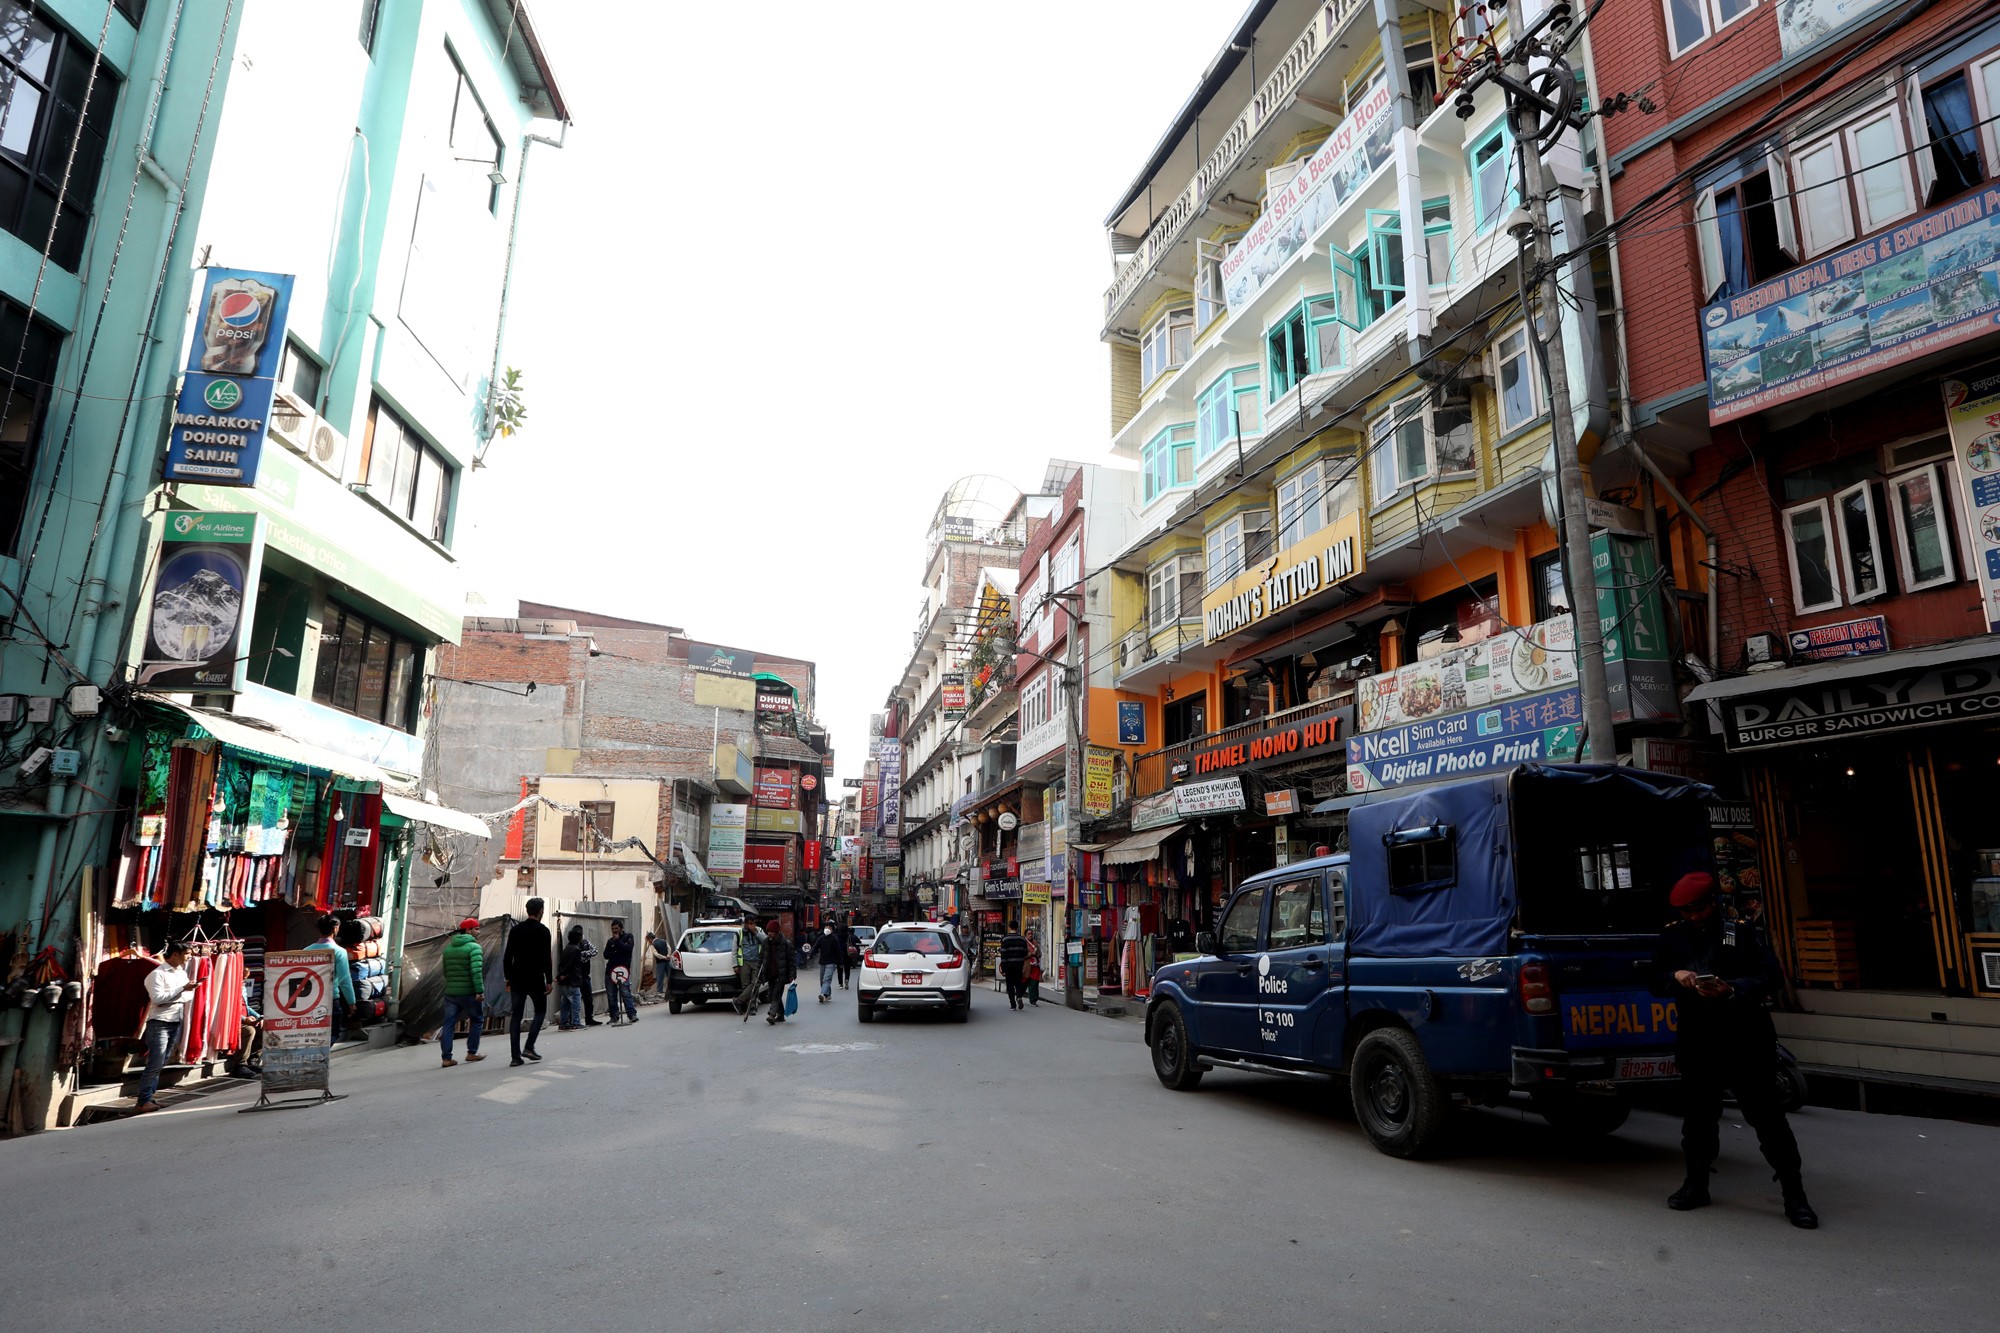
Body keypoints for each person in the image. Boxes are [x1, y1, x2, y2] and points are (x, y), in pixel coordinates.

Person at [1650, 871, 1817, 1229]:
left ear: (1713, 902)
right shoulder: (1672, 935)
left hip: (1745, 1038)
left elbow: (1771, 976)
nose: (1693, 916)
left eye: (1698, 908)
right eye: (1686, 911)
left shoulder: (1741, 932)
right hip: (1699, 1040)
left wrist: (1732, 989)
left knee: (1768, 1119)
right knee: (1698, 1120)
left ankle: (1795, 1194)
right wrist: (1676, 976)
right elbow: (1653, 979)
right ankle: (1696, 1185)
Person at [133, 942, 195, 1112]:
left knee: (162, 1061)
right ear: (175, 954)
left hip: (175, 1019)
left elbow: (188, 996)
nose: (189, 957)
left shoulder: (180, 972)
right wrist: (182, 990)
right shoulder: (157, 974)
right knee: (155, 1062)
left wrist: (184, 991)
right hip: (159, 1022)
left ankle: (149, 1098)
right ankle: (143, 1101)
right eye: (187, 954)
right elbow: (158, 999)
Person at [503, 898, 554, 1066]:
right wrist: (549, 979)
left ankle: (515, 1057)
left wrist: (508, 977)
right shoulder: (543, 931)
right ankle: (529, 1046)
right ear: (540, 911)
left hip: (517, 978)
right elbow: (547, 957)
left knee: (516, 1017)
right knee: (540, 1011)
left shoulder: (516, 930)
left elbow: (507, 956)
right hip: (536, 978)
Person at [438, 918, 487, 1068]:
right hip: (469, 993)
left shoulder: (448, 949)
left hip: (451, 993)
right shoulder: (474, 948)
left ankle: (446, 1058)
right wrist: (479, 991)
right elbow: (476, 971)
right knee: (477, 1019)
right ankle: (471, 1052)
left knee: (448, 1024)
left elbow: (445, 972)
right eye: (476, 929)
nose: (478, 931)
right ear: (468, 930)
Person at [305, 913, 354, 1043]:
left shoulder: (305, 951)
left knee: (311, 1032)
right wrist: (352, 1003)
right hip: (330, 1000)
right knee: (332, 1033)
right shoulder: (339, 952)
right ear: (335, 928)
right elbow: (345, 980)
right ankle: (319, 1058)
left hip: (308, 1000)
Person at [603, 919, 639, 1025]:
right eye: (613, 929)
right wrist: (617, 950)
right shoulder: (610, 941)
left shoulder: (628, 937)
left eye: (616, 928)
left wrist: (618, 942)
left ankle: (631, 1014)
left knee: (625, 992)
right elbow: (606, 955)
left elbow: (628, 949)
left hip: (623, 970)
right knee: (611, 995)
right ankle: (614, 1016)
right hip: (610, 971)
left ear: (621, 928)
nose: (614, 931)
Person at [762, 920, 797, 1024]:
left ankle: (772, 1014)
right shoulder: (766, 943)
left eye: (772, 932)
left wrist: (792, 975)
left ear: (777, 932)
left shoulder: (786, 944)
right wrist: (761, 974)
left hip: (782, 974)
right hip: (770, 973)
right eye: (768, 931)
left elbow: (792, 961)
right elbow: (762, 959)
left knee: (776, 994)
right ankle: (781, 1015)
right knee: (773, 993)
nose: (769, 934)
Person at [558, 924, 589, 1030]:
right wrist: (563, 974)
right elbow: (571, 965)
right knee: (576, 1002)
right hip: (573, 980)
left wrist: (560, 976)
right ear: (579, 938)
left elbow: (561, 964)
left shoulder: (566, 948)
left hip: (565, 981)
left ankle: (563, 1023)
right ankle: (575, 1022)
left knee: (565, 1003)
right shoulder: (576, 949)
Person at [734, 919, 765, 1017]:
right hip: (744, 962)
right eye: (750, 923)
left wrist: (755, 932)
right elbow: (734, 950)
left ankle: (739, 1001)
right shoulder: (739, 933)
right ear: (746, 924)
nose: (753, 925)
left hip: (757, 961)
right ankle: (749, 1007)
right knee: (745, 985)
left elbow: (766, 941)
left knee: (756, 983)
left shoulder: (759, 930)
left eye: (754, 923)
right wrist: (735, 965)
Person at [999, 923, 1030, 1010]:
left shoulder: (1005, 939)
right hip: (1019, 965)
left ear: (1009, 928)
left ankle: (1013, 1005)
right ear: (1017, 927)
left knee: (1010, 985)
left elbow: (1003, 954)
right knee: (1018, 983)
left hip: (1009, 966)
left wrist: (1003, 968)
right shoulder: (1022, 939)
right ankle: (1019, 996)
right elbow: (1025, 952)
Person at [576, 928, 601, 1026]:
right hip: (577, 976)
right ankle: (574, 1020)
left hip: (585, 975)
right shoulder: (573, 945)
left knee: (588, 999)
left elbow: (595, 951)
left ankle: (589, 1018)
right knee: (576, 999)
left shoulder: (586, 943)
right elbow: (576, 956)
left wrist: (584, 954)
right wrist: (585, 955)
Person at [813, 925, 841, 1003]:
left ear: (832, 930)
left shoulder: (834, 939)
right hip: (822, 962)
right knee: (822, 980)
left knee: (826, 979)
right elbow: (815, 947)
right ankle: (827, 994)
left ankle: (822, 994)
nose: (827, 929)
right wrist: (810, 955)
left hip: (831, 963)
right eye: (826, 927)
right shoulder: (820, 939)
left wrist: (840, 962)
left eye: (829, 928)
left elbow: (838, 951)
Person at [647, 930, 673, 1003]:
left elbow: (656, 954)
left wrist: (663, 957)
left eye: (648, 940)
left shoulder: (652, 945)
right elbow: (669, 948)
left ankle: (659, 991)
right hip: (668, 961)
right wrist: (668, 955)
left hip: (660, 962)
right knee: (669, 975)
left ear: (650, 939)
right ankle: (671, 989)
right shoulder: (663, 941)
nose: (648, 941)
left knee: (660, 976)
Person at [834, 918, 853, 990]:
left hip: (839, 955)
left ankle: (840, 984)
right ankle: (847, 979)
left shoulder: (837, 936)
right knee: (847, 969)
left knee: (840, 970)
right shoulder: (848, 936)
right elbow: (852, 943)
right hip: (847, 954)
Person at [1025, 937, 1043, 1007]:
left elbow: (1040, 954)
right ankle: (1019, 996)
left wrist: (1036, 954)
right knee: (1024, 983)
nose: (1030, 935)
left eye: (1031, 934)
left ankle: (1033, 1000)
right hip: (1027, 967)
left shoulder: (1035, 943)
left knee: (1034, 983)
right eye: (1028, 934)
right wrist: (1030, 954)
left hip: (1035, 966)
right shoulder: (1024, 943)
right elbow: (1022, 955)